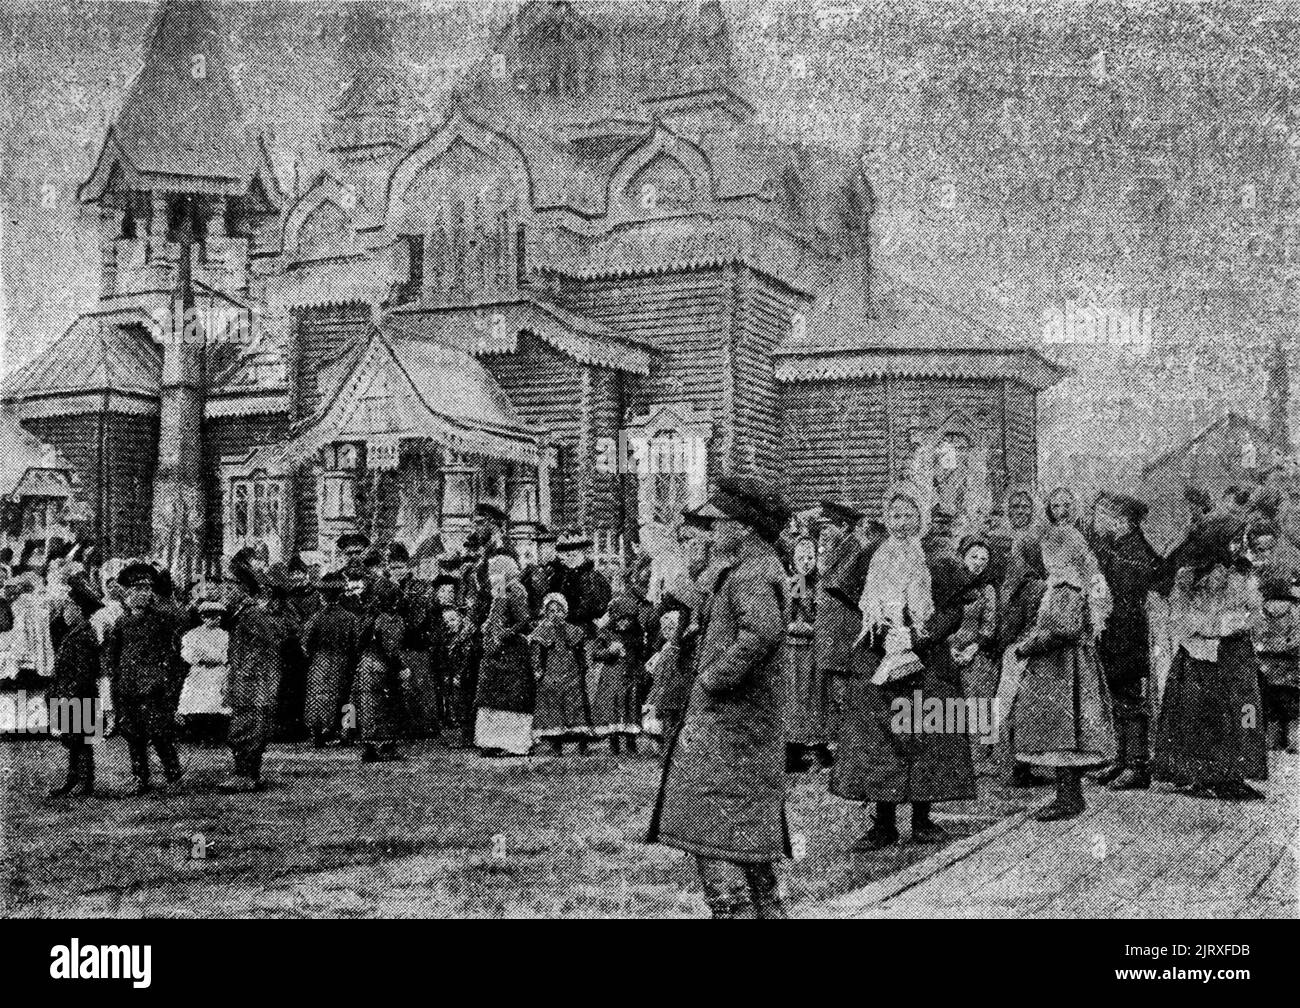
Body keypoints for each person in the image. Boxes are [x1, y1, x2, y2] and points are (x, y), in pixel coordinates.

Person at [647, 475, 794, 918]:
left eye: (721, 522)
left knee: (714, 842)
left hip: (731, 729)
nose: (714, 531)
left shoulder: (752, 572)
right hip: (736, 730)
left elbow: (760, 632)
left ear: (744, 527)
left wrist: (713, 678)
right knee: (747, 849)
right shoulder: (747, 567)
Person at [830, 488, 976, 851]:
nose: (901, 522)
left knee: (926, 734)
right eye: (895, 515)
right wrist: (884, 637)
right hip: (878, 657)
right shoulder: (869, 557)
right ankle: (883, 823)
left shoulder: (938, 559)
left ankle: (924, 819)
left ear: (920, 518)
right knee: (879, 738)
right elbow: (852, 606)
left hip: (926, 660)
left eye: (909, 515)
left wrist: (916, 636)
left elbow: (952, 611)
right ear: (886, 518)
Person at [1152, 523, 1268, 799]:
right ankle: (1205, 775)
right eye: (1232, 541)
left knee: (1245, 711)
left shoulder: (1243, 573)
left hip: (1235, 653)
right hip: (1199, 655)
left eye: (1239, 540)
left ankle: (1237, 772)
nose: (1238, 546)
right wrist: (1213, 626)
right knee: (1202, 715)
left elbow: (1256, 613)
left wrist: (1237, 624)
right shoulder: (1188, 577)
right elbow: (1179, 616)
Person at [1010, 523, 1116, 820]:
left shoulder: (1065, 588)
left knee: (1063, 731)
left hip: (1061, 669)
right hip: (1067, 666)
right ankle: (1068, 795)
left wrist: (1026, 648)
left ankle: (1068, 798)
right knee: (1066, 731)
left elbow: (1062, 630)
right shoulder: (1074, 584)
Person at [1090, 493, 1161, 789]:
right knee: (1115, 697)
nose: (1097, 520)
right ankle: (1120, 760)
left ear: (1121, 520)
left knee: (1130, 699)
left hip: (1129, 637)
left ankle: (1137, 765)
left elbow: (1129, 592)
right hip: (1115, 635)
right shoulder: (1120, 546)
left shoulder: (1134, 549)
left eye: (1102, 515)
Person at [103, 563, 185, 795]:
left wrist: (165, 680)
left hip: (154, 685)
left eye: (148, 589)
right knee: (133, 733)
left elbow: (177, 637)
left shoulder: (162, 618)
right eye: (138, 589)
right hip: (128, 684)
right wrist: (116, 679)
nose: (143, 593)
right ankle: (140, 778)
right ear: (127, 593)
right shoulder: (121, 622)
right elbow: (114, 654)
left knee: (159, 732)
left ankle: (173, 773)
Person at [220, 563, 301, 791]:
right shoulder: (243, 613)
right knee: (244, 726)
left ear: (242, 588)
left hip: (255, 683)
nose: (225, 590)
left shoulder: (252, 615)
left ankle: (246, 775)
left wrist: (247, 671)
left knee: (249, 727)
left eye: (230, 586)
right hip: (247, 680)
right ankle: (246, 773)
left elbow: (271, 643)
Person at [46, 574, 103, 798]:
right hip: (75, 695)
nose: (65, 613)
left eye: (69, 608)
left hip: (79, 695)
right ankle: (74, 779)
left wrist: (67, 696)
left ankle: (84, 782)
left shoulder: (83, 636)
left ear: (79, 610)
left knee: (81, 740)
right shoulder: (75, 633)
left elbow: (83, 672)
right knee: (74, 739)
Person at [473, 553, 534, 756]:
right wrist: (489, 626)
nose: (492, 576)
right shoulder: (498, 590)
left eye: (496, 572)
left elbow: (523, 621)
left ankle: (513, 743)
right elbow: (496, 615)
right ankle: (492, 741)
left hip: (511, 650)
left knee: (510, 697)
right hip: (496, 651)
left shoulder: (515, 589)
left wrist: (504, 633)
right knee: (493, 697)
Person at [951, 536, 1000, 776]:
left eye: (984, 559)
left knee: (979, 701)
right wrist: (949, 648)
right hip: (947, 650)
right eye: (974, 557)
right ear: (962, 557)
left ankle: (979, 758)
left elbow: (989, 627)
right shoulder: (948, 584)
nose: (979, 562)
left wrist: (973, 648)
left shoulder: (987, 590)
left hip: (975, 652)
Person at [1249, 522, 1299, 753]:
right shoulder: (1296, 612)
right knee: (1294, 710)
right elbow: (1296, 640)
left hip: (1266, 668)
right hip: (1291, 671)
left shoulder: (1260, 612)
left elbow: (1254, 637)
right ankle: (1295, 744)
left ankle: (1271, 743)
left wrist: (1264, 648)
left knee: (1270, 711)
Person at [529, 591, 593, 754]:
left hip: (571, 670)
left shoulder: (574, 631)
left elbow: (581, 652)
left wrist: (584, 667)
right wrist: (537, 670)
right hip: (552, 671)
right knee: (554, 706)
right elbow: (537, 653)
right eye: (551, 611)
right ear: (546, 613)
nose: (555, 614)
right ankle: (556, 744)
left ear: (565, 612)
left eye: (558, 610)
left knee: (577, 705)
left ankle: (582, 744)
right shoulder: (541, 631)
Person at [352, 578, 407, 762]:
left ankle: (368, 746)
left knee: (366, 705)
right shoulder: (391, 619)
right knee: (386, 705)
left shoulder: (368, 616)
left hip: (364, 664)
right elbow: (391, 649)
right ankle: (386, 745)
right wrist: (400, 667)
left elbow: (358, 642)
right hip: (381, 666)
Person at [303, 572, 360, 747]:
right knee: (347, 695)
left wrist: (313, 655)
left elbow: (304, 643)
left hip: (320, 661)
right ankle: (347, 733)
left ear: (323, 595)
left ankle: (319, 732)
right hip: (343, 660)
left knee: (318, 696)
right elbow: (356, 643)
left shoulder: (316, 617)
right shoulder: (350, 618)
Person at [389, 542, 440, 738]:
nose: (396, 571)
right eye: (393, 568)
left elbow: (417, 619)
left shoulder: (418, 587)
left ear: (407, 566)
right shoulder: (389, 587)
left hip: (416, 644)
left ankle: (425, 727)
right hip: (399, 645)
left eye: (400, 567)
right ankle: (406, 728)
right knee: (402, 687)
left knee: (419, 686)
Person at [590, 594, 646, 755]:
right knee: (613, 709)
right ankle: (614, 745)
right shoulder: (606, 634)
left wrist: (639, 670)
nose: (624, 623)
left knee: (631, 708)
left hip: (630, 677)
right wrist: (609, 651)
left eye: (628, 620)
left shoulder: (636, 636)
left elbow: (641, 655)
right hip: (612, 678)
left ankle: (631, 744)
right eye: (621, 619)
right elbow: (595, 653)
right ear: (614, 618)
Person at [177, 596, 232, 745]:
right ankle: (198, 736)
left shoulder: (224, 635)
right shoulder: (193, 635)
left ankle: (215, 737)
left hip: (218, 672)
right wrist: (201, 658)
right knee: (197, 703)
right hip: (200, 672)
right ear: (203, 617)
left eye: (218, 616)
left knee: (216, 703)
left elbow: (226, 654)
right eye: (211, 616)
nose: (216, 619)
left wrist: (215, 658)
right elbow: (188, 654)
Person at [521, 525, 561, 614]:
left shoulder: (560, 569)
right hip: (532, 615)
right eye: (538, 547)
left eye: (548, 546)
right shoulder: (529, 570)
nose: (544, 551)